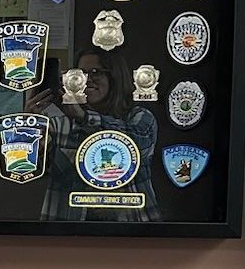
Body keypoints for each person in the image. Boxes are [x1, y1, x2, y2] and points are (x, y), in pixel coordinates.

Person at [24, 47, 160, 222]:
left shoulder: (139, 117)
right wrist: (28, 126)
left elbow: (137, 143)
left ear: (115, 77)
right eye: (80, 73)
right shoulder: (60, 124)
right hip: (69, 231)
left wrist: (84, 118)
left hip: (131, 230)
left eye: (96, 72)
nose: (87, 79)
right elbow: (30, 168)